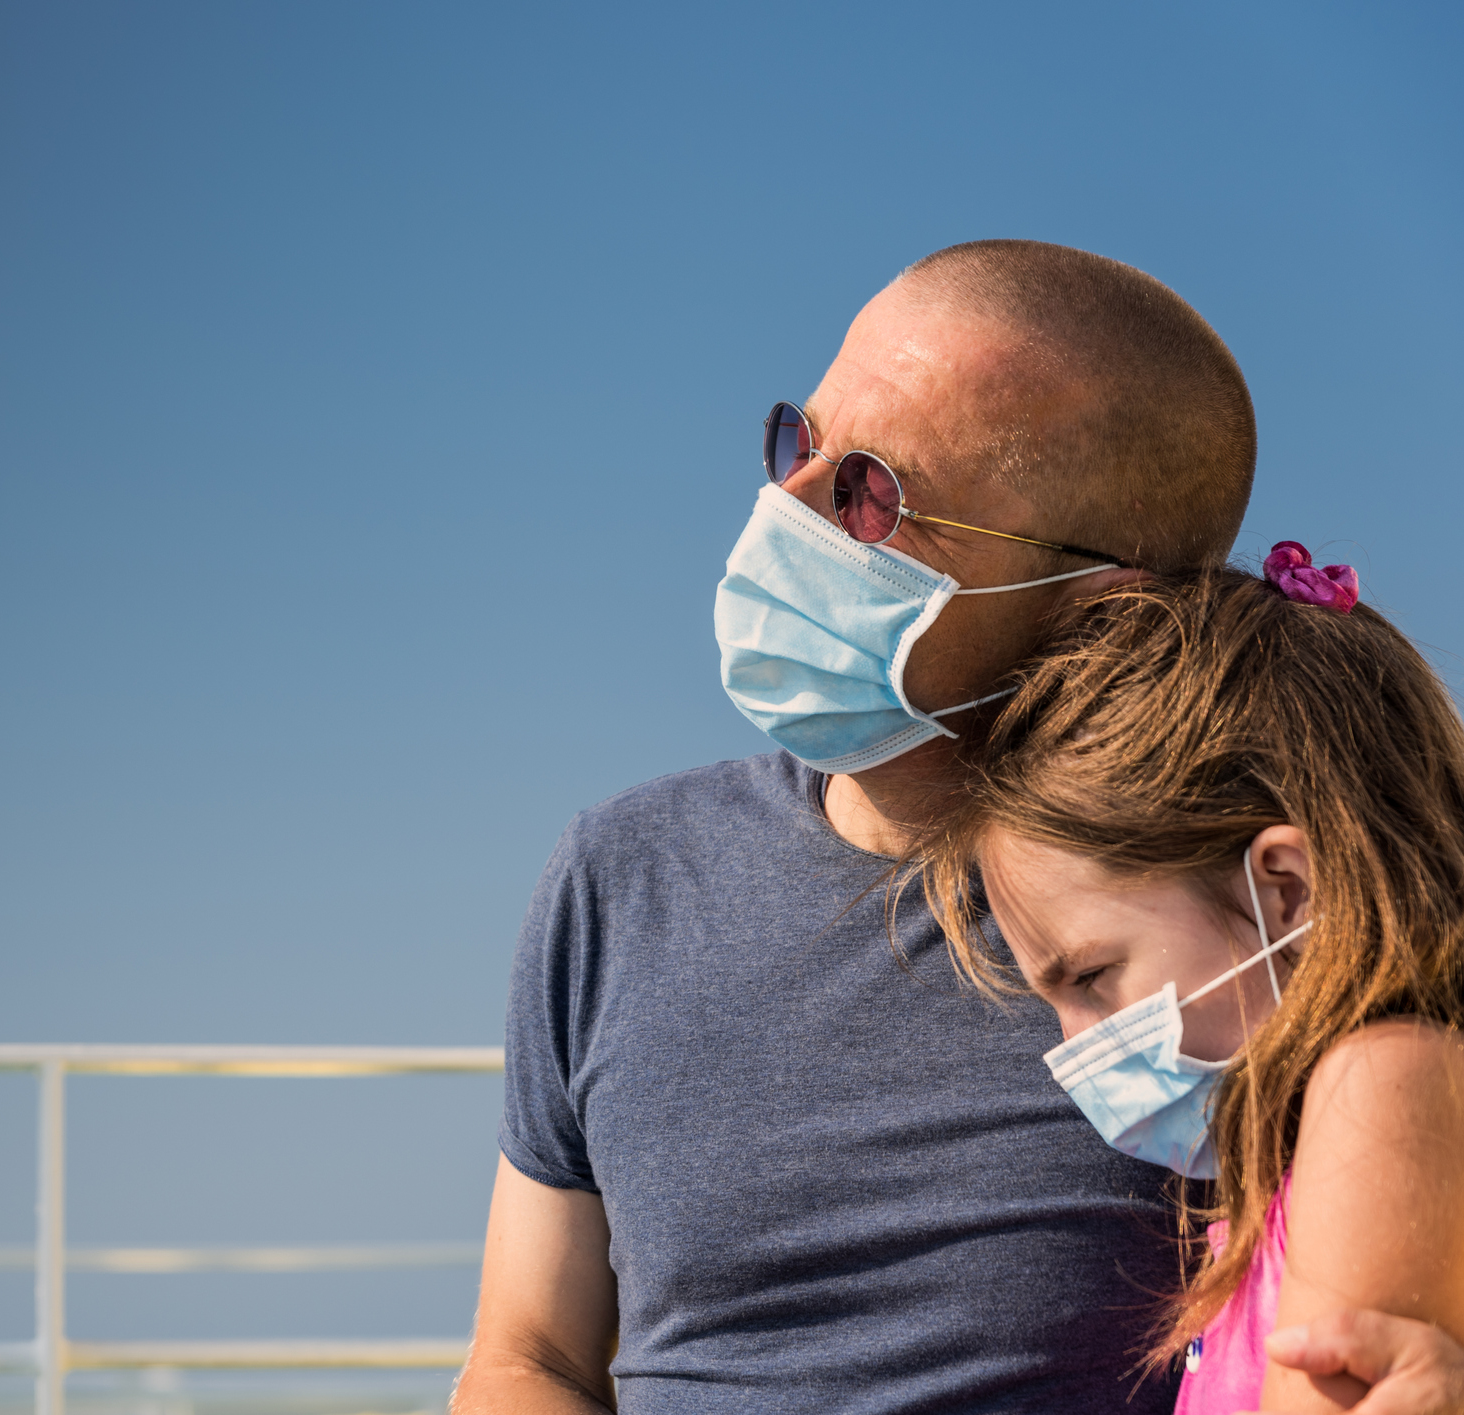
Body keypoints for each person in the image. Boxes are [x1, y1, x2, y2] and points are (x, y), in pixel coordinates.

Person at [450, 241, 1464, 1414]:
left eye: (869, 491)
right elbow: (530, 1354)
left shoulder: (1204, 935)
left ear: (1104, 599)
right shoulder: (616, 876)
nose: (786, 506)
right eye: (800, 440)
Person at [912, 561, 1464, 1413]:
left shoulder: (1382, 1082)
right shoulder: (1275, 1183)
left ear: (1286, 889)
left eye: (1091, 976)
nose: (1072, 1047)